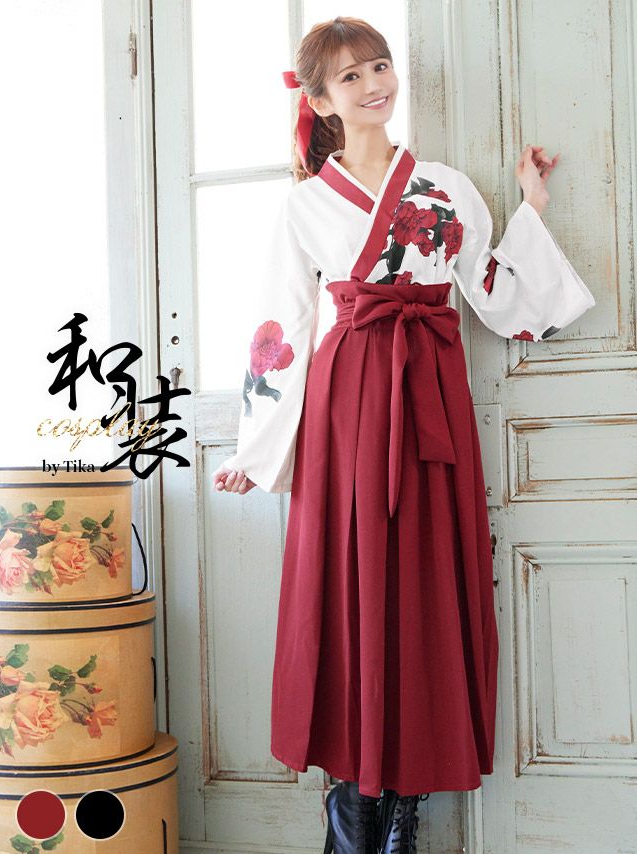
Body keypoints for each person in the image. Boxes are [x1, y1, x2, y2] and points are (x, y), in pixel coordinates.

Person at [212, 16, 596, 853]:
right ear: (321, 100)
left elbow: (490, 288)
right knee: (351, 584)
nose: (374, 84)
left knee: (425, 584)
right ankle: (355, 804)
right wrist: (256, 448)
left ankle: (404, 806)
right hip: (349, 400)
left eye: (380, 66)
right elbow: (284, 324)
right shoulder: (305, 205)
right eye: (351, 77)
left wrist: (531, 206)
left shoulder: (445, 186)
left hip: (431, 389)